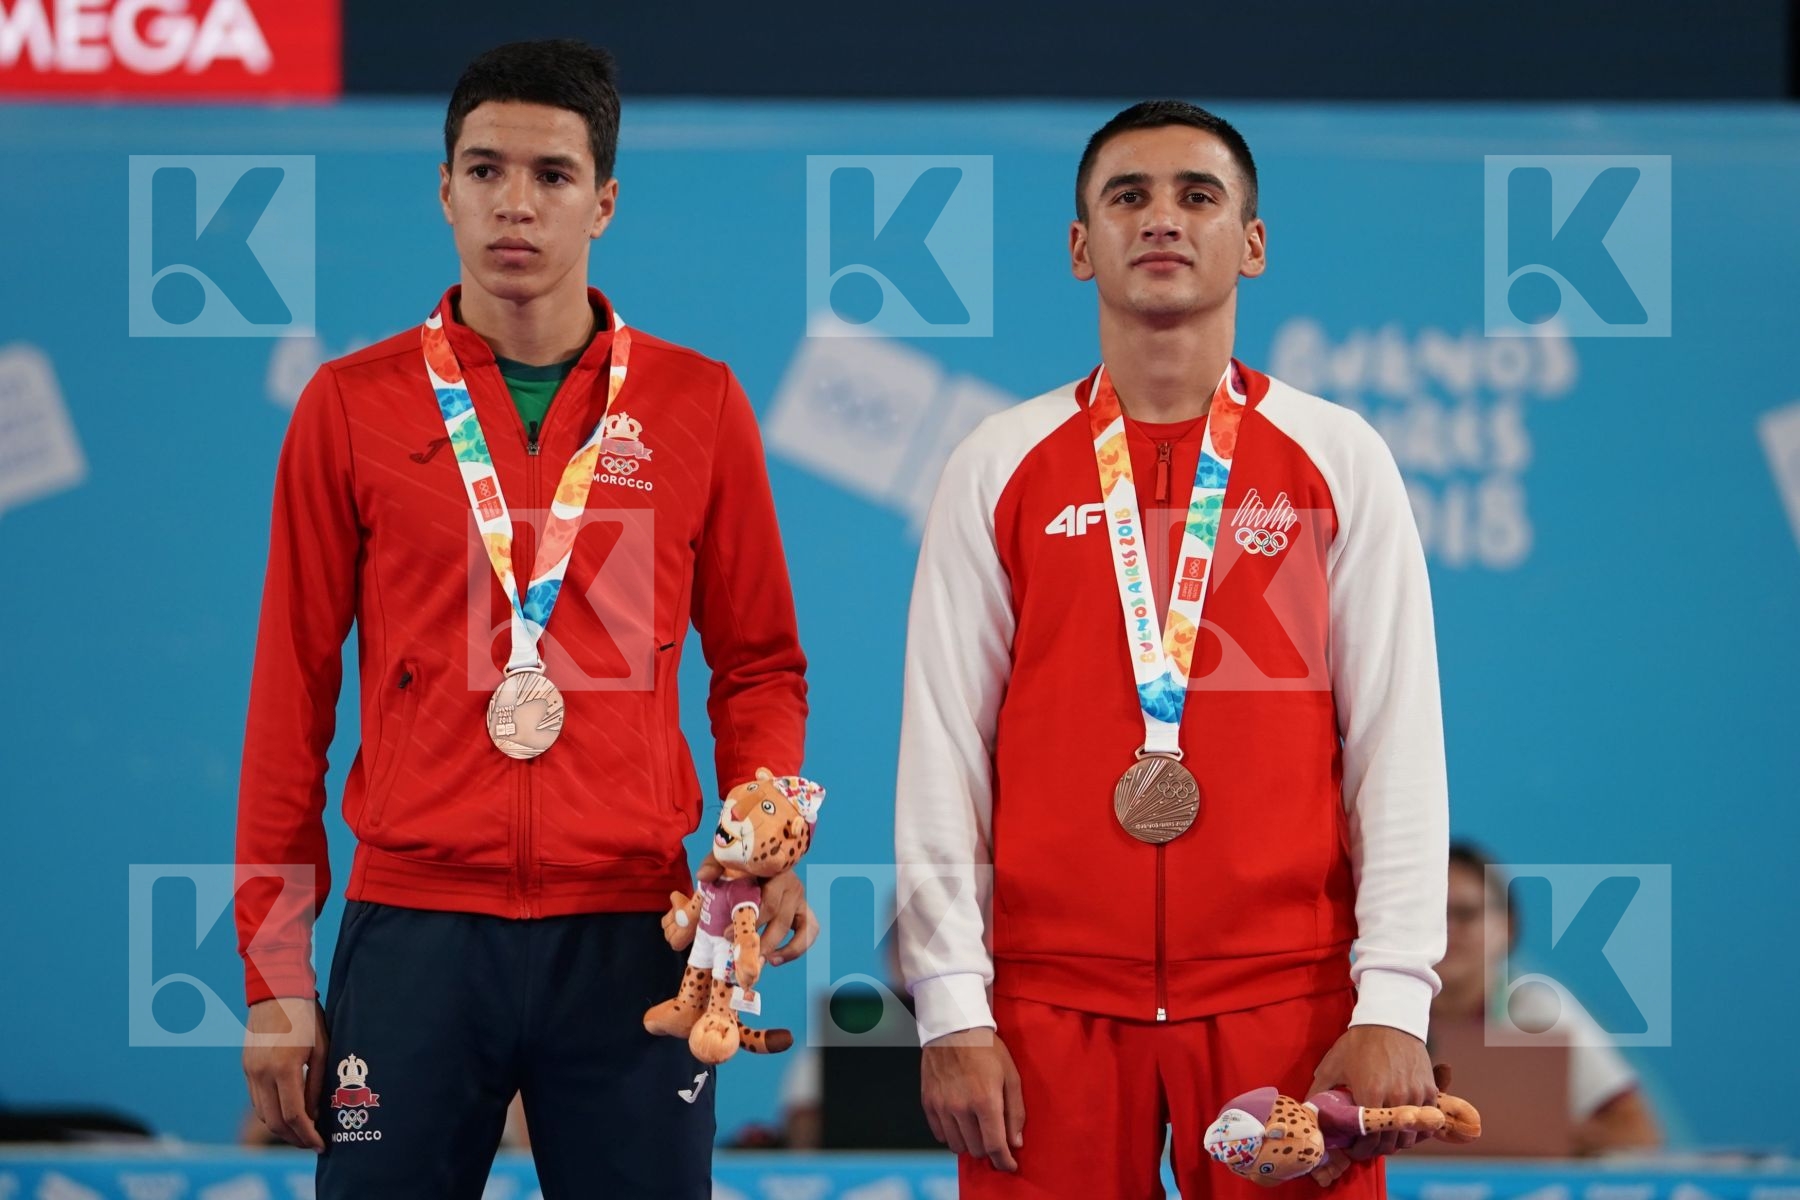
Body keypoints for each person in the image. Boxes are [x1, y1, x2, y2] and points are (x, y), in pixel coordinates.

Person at [234, 39, 817, 1199]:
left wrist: (768, 840)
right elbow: (290, 700)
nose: (516, 203)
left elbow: (760, 668)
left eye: (551, 175)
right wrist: (273, 972)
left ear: (601, 202)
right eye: (485, 169)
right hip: (414, 929)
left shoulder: (698, 404)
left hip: (635, 931)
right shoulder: (349, 407)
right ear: (442, 189)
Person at [894, 100, 1449, 1198]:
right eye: (1128, 196)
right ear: (1078, 244)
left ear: (1251, 242)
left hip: (1286, 1004)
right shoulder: (1000, 463)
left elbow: (1397, 740)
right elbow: (942, 746)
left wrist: (1392, 999)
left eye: (1198, 196)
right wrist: (952, 1002)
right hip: (1046, 1008)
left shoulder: (1338, 458)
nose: (1162, 220)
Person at [1433, 843, 1661, 1156]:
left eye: (1465, 914)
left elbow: (1637, 1132)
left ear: (1508, 928)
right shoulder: (1367, 1009)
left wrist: (1530, 1134)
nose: (1446, 929)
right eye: (1429, 913)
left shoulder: (1540, 1010)